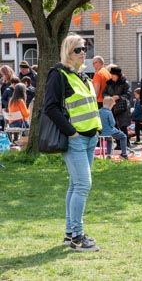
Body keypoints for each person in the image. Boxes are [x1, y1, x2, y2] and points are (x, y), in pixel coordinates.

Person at [43, 33, 102, 251]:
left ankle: (70, 234)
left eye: (85, 48)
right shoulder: (58, 74)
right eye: (78, 49)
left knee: (75, 185)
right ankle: (77, 237)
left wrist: (94, 130)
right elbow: (50, 107)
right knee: (82, 185)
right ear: (68, 51)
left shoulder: (81, 75)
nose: (83, 52)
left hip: (89, 137)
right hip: (76, 139)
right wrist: (71, 132)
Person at [103, 66, 132, 149]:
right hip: (112, 107)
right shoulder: (109, 83)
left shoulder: (124, 83)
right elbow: (104, 93)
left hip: (122, 108)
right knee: (114, 126)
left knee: (123, 126)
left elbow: (129, 94)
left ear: (118, 75)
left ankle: (126, 144)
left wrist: (119, 97)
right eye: (111, 75)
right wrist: (108, 97)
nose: (112, 77)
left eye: (113, 75)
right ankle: (119, 144)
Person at [0, 65, 17, 131]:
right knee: (5, 122)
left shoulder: (13, 80)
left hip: (10, 103)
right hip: (4, 103)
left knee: (11, 123)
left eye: (2, 74)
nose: (1, 75)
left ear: (6, 72)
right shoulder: (3, 80)